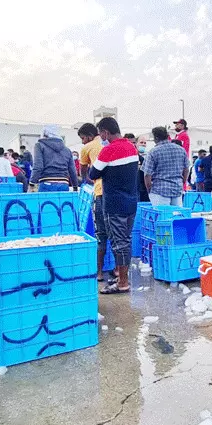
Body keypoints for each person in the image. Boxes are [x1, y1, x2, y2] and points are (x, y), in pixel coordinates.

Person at [89, 117, 139, 294]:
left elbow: (93, 173)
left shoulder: (108, 151)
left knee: (119, 243)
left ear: (105, 132)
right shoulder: (131, 148)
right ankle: (121, 275)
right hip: (131, 203)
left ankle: (123, 282)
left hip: (114, 205)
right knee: (126, 240)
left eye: (100, 133)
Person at [78, 122, 109, 282]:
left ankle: (98, 273)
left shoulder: (88, 147)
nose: (83, 141)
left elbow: (84, 173)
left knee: (100, 233)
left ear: (89, 136)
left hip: (99, 192)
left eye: (83, 138)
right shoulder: (108, 144)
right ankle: (118, 271)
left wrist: (89, 180)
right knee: (117, 234)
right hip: (114, 192)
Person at [143, 126, 188, 206]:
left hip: (159, 191)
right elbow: (186, 169)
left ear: (155, 138)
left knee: (162, 217)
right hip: (177, 189)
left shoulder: (153, 152)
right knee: (176, 216)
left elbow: (147, 174)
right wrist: (182, 181)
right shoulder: (181, 150)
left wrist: (149, 189)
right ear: (167, 136)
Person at [30, 126, 78, 192]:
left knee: (46, 202)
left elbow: (38, 166)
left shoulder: (39, 146)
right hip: (64, 184)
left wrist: (32, 183)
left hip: (46, 183)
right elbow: (73, 171)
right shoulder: (67, 150)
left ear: (44, 134)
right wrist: (75, 187)